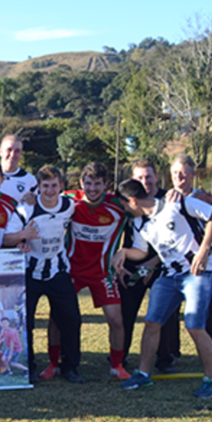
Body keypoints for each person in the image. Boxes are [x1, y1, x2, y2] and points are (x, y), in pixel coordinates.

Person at [114, 179, 212, 398]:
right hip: (169, 275)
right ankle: (143, 374)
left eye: (125, 205)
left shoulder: (176, 203)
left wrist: (204, 250)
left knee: (195, 326)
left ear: (133, 200)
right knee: (152, 321)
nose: (125, 209)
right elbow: (141, 250)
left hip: (197, 273)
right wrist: (124, 252)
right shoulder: (140, 223)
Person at [59, 162, 130, 381]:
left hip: (102, 272)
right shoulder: (68, 200)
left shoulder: (118, 206)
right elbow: (43, 200)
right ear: (81, 183)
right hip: (72, 270)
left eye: (97, 184)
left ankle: (116, 365)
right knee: (57, 316)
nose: (92, 188)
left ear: (106, 184)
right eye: (88, 183)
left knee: (116, 320)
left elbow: (146, 208)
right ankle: (54, 363)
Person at [167, 154, 212, 371]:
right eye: (175, 173)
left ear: (193, 174)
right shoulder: (167, 198)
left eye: (184, 173)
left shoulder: (202, 199)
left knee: (205, 309)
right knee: (170, 309)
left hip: (201, 265)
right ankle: (171, 354)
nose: (179, 177)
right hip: (174, 264)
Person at [16, 165, 82, 383]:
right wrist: (22, 238)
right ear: (39, 187)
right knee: (26, 322)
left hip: (57, 270)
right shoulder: (27, 207)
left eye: (54, 185)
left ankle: (70, 367)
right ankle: (30, 368)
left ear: (61, 186)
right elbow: (8, 237)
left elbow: (90, 196)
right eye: (46, 186)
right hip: (30, 272)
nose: (50, 190)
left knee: (72, 318)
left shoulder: (69, 205)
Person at [118, 159, 177, 372]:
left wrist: (154, 263)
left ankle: (165, 358)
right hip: (135, 262)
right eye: (139, 178)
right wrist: (123, 259)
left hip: (165, 264)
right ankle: (120, 357)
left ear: (156, 178)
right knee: (126, 311)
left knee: (165, 312)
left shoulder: (170, 201)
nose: (145, 182)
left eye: (148, 177)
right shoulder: (128, 203)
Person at [0, 134, 37, 203]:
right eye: (9, 150)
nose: (12, 155)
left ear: (21, 153)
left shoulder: (30, 180)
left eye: (17, 151)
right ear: (1, 152)